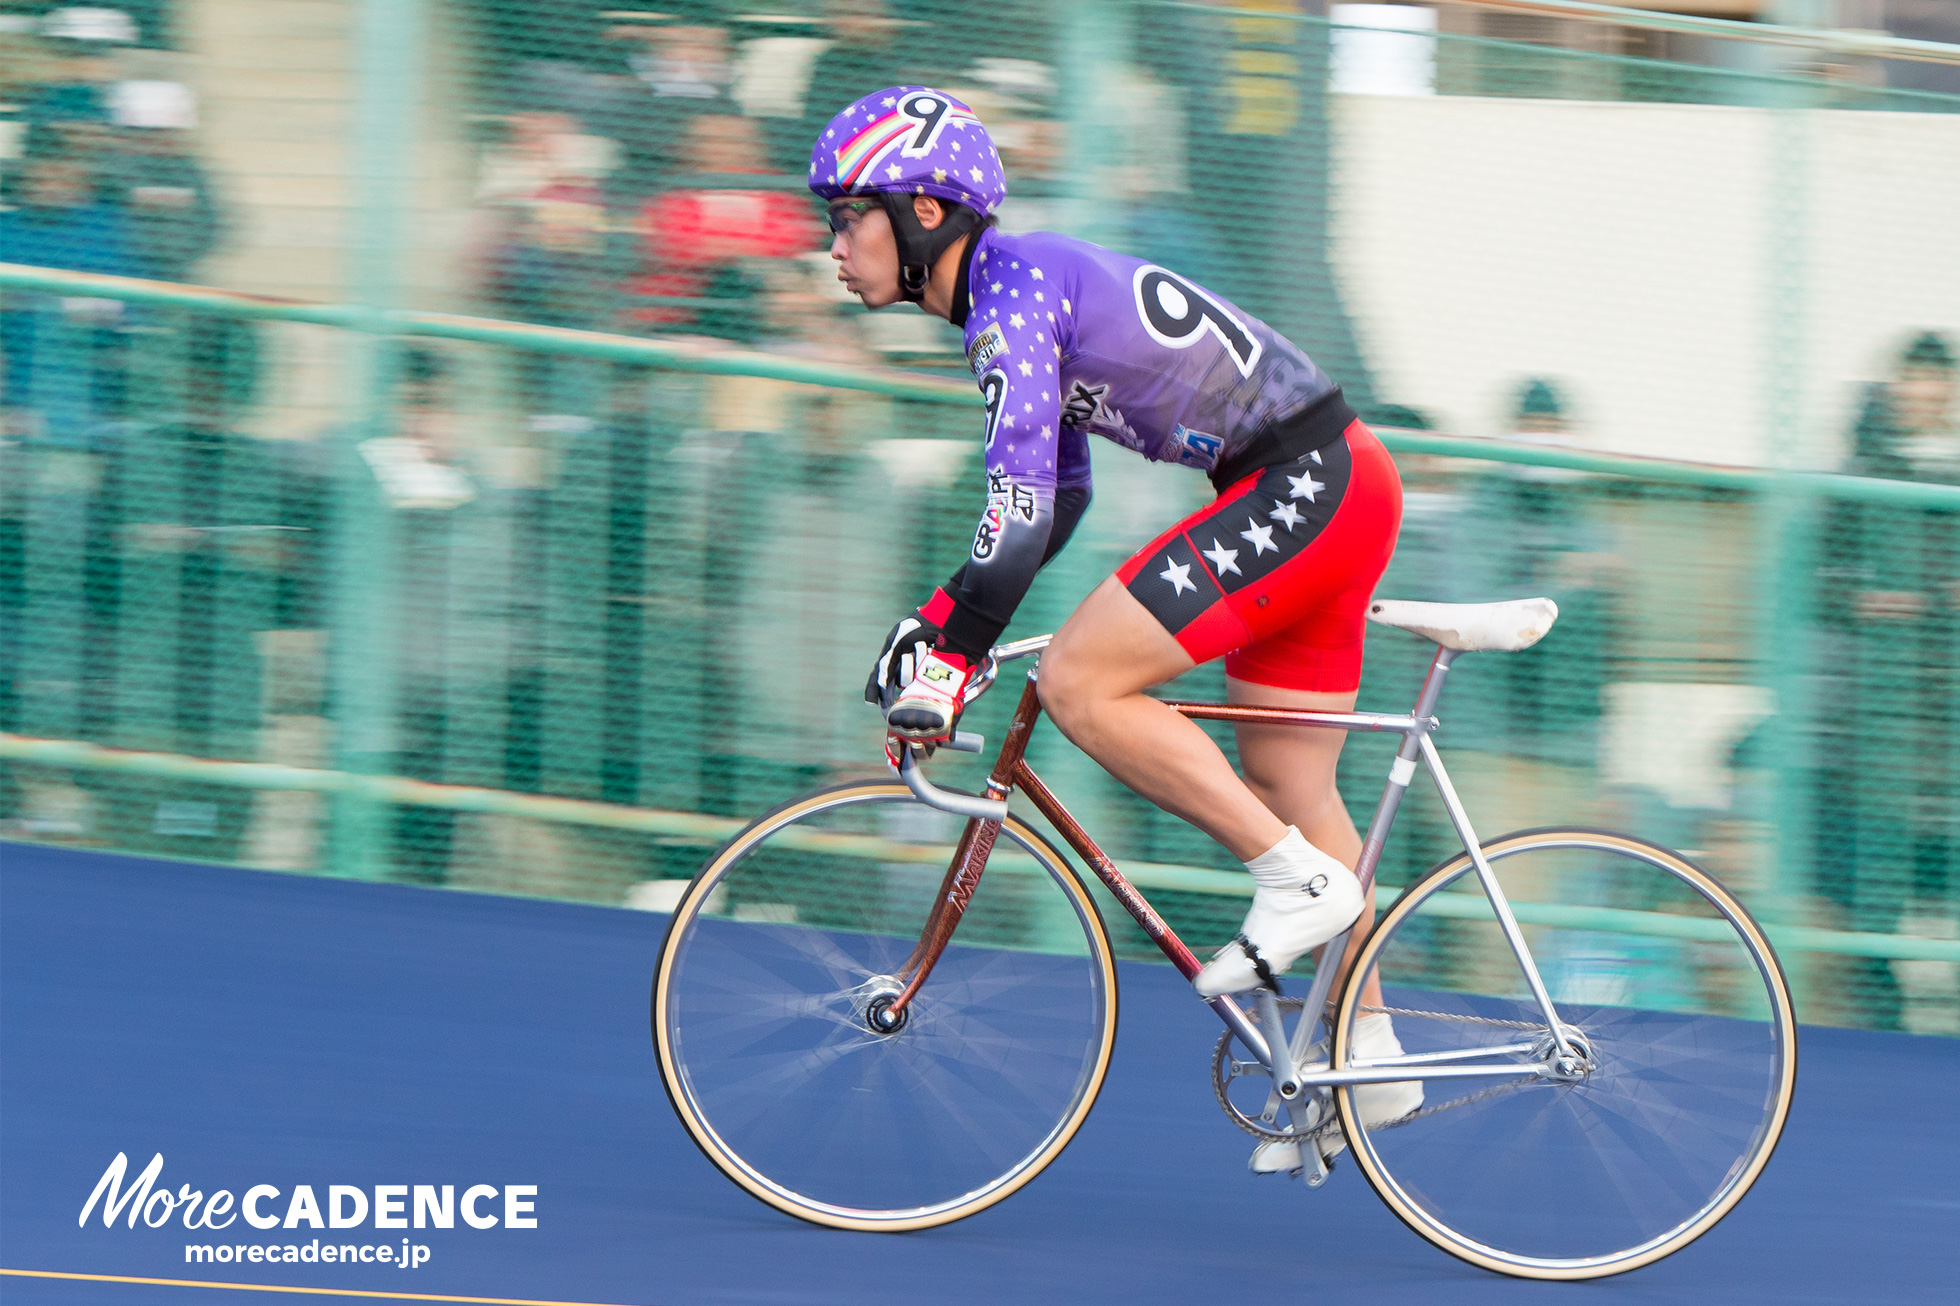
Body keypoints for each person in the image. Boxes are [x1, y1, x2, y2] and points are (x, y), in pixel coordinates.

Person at [816, 86, 1411, 1172]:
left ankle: (1293, 881)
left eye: (851, 216)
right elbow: (1062, 496)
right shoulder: (1015, 287)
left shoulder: (1007, 304)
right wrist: (939, 622)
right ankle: (1371, 1052)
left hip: (1303, 484)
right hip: (1333, 479)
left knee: (1081, 681)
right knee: (1289, 779)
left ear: (924, 214)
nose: (834, 245)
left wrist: (950, 660)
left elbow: (1023, 513)